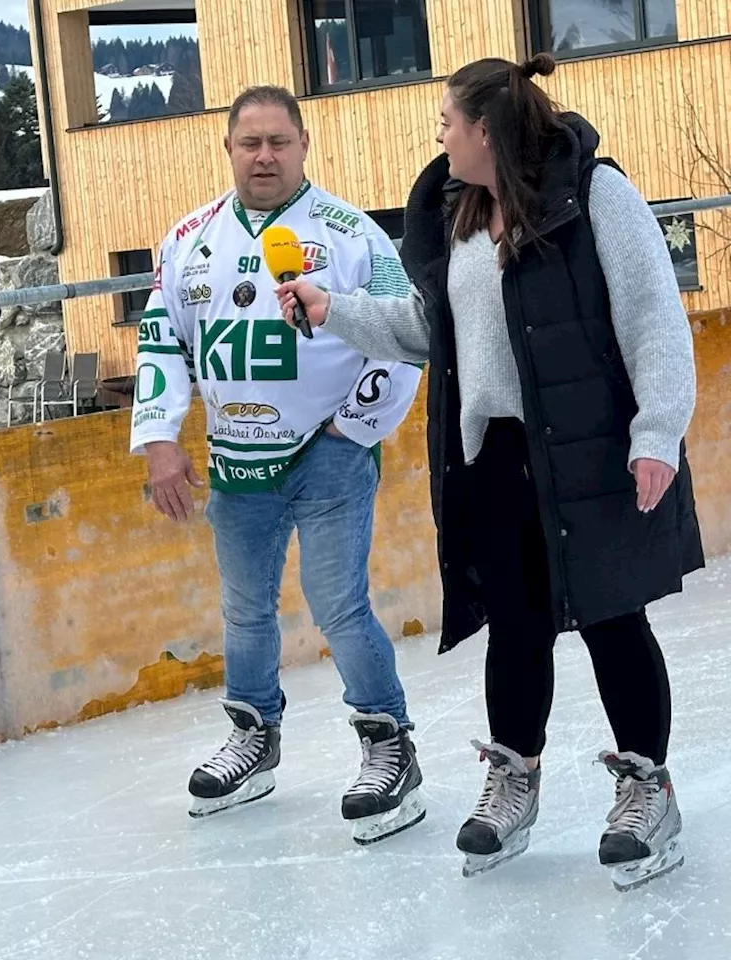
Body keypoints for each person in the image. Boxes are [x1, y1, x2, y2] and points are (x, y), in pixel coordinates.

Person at [275, 54, 702, 889]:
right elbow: (431, 327)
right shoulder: (462, 216)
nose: (438, 132)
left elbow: (654, 315)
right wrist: (332, 309)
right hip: (497, 456)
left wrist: (657, 434)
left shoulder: (597, 196)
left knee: (614, 619)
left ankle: (649, 789)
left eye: (447, 119)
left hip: (590, 448)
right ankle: (515, 780)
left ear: (485, 128)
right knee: (516, 626)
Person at [129, 84, 426, 843]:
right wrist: (161, 437)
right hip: (236, 463)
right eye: (249, 142)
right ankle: (254, 735)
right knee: (245, 612)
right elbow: (163, 342)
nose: (264, 156)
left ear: (303, 145)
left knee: (338, 607)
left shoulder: (353, 234)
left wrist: (354, 428)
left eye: (278, 142)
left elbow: (405, 334)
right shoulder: (188, 238)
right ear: (228, 149)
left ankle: (388, 744)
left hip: (327, 454)